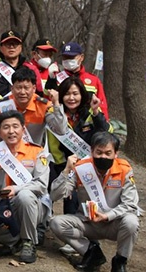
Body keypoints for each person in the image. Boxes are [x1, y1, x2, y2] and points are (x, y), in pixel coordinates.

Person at [50, 132, 139, 272]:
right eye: (99, 152)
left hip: (114, 223)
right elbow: (55, 195)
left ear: (116, 154)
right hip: (87, 222)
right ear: (92, 151)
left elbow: (130, 204)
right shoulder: (81, 168)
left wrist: (108, 215)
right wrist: (66, 171)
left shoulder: (124, 170)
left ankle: (120, 261)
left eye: (108, 153)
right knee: (56, 223)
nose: (103, 156)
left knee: (131, 222)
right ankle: (92, 253)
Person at [0, 110, 50, 263]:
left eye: (15, 126)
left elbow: (41, 185)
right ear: (0, 131)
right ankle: (15, 241)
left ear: (23, 128)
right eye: (6, 127)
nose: (11, 131)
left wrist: (16, 189)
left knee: (24, 196)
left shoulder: (37, 151)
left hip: (35, 205)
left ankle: (29, 242)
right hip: (5, 207)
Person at [48, 76, 111, 214]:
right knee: (51, 188)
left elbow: (106, 133)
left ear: (82, 95)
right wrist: (57, 104)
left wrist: (95, 111)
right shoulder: (53, 112)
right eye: (67, 94)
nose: (71, 98)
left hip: (87, 163)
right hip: (62, 164)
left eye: (75, 94)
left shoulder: (90, 112)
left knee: (78, 197)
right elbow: (59, 132)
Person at [0, 67, 66, 147]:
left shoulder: (43, 106)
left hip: (34, 155)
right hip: (7, 155)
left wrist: (56, 104)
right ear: (12, 88)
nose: (22, 92)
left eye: (26, 88)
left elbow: (61, 130)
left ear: (34, 88)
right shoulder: (1, 107)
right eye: (18, 88)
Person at [45, 42, 110, 120]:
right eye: (65, 57)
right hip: (63, 123)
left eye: (71, 57)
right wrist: (51, 79)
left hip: (87, 125)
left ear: (81, 57)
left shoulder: (93, 80)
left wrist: (104, 124)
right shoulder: (56, 77)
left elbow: (102, 106)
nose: (68, 60)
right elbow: (48, 101)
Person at [0, 30, 43, 96]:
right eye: (8, 44)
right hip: (1, 105)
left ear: (20, 47)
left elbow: (39, 93)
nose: (11, 47)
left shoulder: (31, 68)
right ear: (1, 48)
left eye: (15, 44)